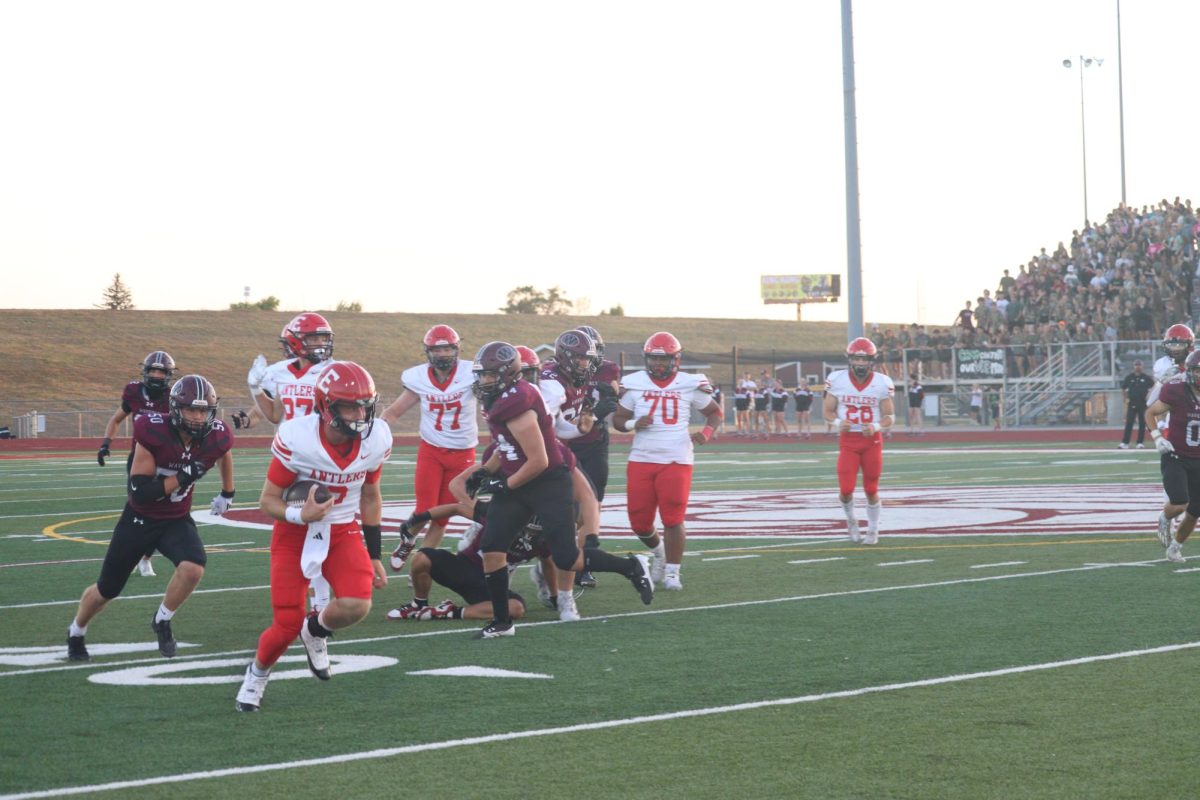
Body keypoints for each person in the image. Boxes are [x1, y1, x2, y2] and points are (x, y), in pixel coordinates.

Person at [467, 341, 654, 638]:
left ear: (506, 374)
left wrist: (504, 483)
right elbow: (507, 445)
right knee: (492, 546)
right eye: (482, 375)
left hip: (547, 483)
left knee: (567, 558)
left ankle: (631, 565)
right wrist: (484, 472)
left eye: (489, 375)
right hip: (521, 480)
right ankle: (502, 622)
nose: (483, 381)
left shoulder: (517, 404)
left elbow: (539, 460)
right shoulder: (504, 397)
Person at [235, 361, 390, 712]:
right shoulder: (298, 438)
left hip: (341, 528)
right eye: (350, 406)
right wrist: (299, 514)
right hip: (294, 531)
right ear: (325, 406)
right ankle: (257, 673)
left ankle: (316, 631)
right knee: (286, 623)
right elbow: (267, 500)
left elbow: (370, 494)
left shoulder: (376, 437)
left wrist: (375, 552)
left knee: (357, 604)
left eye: (365, 405)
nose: (359, 414)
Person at [67, 375, 235, 662]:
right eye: (190, 410)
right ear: (174, 409)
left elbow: (224, 453)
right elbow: (140, 493)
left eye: (203, 411)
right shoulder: (152, 431)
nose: (197, 417)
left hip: (176, 518)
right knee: (107, 589)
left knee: (193, 567)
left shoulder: (217, 434)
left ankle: (162, 620)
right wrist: (183, 476)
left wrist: (227, 492)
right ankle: (76, 631)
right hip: (141, 518)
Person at [611, 332, 723, 590]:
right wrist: (632, 423)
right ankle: (660, 552)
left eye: (663, 360)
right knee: (639, 522)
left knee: (673, 517)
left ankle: (673, 571)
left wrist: (707, 432)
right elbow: (617, 420)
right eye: (653, 359)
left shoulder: (689, 383)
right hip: (641, 458)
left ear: (676, 360)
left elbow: (715, 412)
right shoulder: (635, 383)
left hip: (677, 458)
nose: (658, 365)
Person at [245, 312, 338, 612]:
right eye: (314, 338)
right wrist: (255, 389)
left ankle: (321, 600)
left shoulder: (333, 371)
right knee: (293, 527)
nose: (321, 344)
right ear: (296, 342)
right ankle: (300, 594)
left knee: (321, 525)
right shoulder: (278, 372)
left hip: (321, 455)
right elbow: (273, 415)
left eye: (324, 337)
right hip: (288, 456)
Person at [381, 325, 477, 604]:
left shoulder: (471, 374)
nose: (443, 354)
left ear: (457, 349)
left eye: (447, 348)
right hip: (432, 449)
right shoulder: (418, 378)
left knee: (442, 516)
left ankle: (421, 563)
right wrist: (376, 430)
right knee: (424, 509)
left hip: (462, 452)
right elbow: (395, 410)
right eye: (437, 349)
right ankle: (407, 541)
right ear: (428, 352)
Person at [386, 472, 554, 623]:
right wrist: (419, 518)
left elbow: (548, 564)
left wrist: (555, 596)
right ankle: (418, 603)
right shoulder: (500, 515)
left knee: (515, 608)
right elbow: (457, 508)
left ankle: (449, 612)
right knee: (421, 558)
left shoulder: (544, 538)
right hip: (465, 567)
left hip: (491, 584)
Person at [97, 349, 177, 578]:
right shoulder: (134, 393)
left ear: (168, 375)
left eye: (160, 372)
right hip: (138, 461)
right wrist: (105, 443)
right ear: (145, 371)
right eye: (152, 370)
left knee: (160, 511)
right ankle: (134, 557)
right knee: (137, 508)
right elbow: (116, 419)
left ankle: (146, 559)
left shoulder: (173, 398)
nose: (155, 375)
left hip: (165, 462)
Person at [538, 329, 604, 591]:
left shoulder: (571, 378)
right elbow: (542, 429)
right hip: (542, 454)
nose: (586, 364)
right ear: (566, 358)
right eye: (580, 359)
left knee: (573, 513)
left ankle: (557, 571)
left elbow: (558, 426)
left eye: (587, 359)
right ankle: (586, 554)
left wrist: (580, 429)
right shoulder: (552, 387)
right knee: (575, 509)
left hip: (553, 451)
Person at [823, 338, 896, 545]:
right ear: (850, 359)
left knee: (871, 489)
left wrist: (877, 426)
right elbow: (827, 411)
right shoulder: (837, 380)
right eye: (857, 359)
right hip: (848, 441)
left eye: (865, 360)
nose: (861, 364)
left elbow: (890, 416)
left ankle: (873, 529)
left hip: (871, 441)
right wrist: (838, 422)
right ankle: (851, 520)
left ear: (871, 360)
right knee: (846, 490)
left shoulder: (882, 382)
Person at [569, 324, 622, 586]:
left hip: (596, 441)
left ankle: (585, 563)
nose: (586, 359)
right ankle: (566, 558)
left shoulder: (608, 368)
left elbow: (614, 394)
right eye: (580, 354)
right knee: (569, 505)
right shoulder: (559, 372)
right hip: (567, 441)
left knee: (594, 504)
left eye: (592, 352)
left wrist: (611, 393)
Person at [1145, 350, 1200, 564]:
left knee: (1195, 510)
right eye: (1198, 370)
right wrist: (1158, 437)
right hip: (1175, 455)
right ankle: (1165, 516)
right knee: (1179, 504)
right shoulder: (1176, 390)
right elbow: (1150, 412)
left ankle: (1175, 548)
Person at [1119, 360, 1154, 449]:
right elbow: (1123, 388)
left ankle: (1140, 442)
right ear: (1133, 366)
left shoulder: (1146, 378)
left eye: (1139, 365)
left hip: (1142, 403)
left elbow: (1154, 387)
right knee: (1129, 423)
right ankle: (1125, 442)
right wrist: (1125, 398)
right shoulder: (1129, 377)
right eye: (1136, 365)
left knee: (1142, 423)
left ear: (1142, 366)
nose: (1138, 367)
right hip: (1132, 403)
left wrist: (1149, 397)